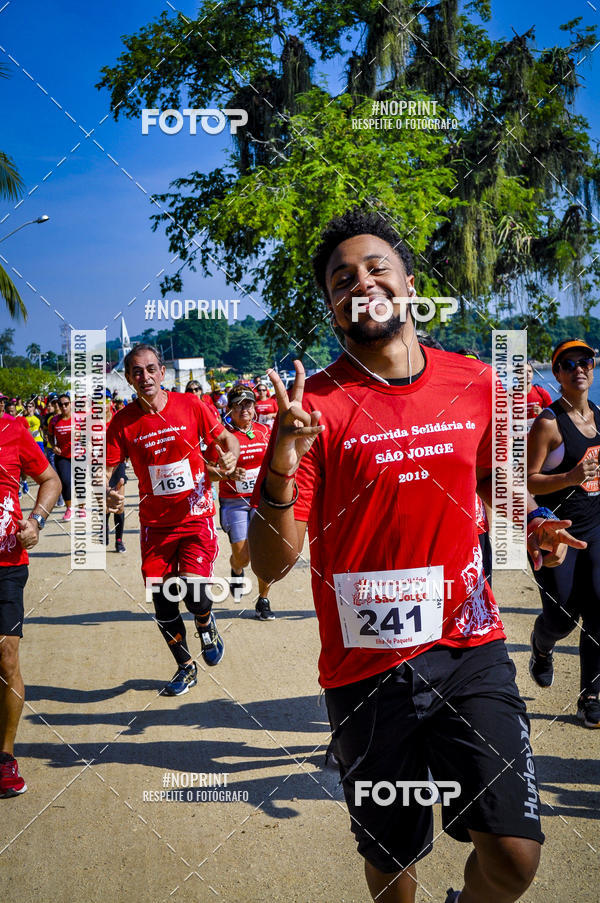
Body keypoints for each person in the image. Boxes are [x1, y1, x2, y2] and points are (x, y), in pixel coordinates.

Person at [249, 207, 583, 903]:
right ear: (332, 306)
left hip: (468, 647)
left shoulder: (476, 383)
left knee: (515, 857)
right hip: (365, 668)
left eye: (376, 268)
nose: (361, 283)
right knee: (393, 859)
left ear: (409, 285)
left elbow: (493, 479)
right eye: (342, 279)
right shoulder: (315, 410)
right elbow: (271, 564)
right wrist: (281, 461)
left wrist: (534, 520)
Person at [106, 344, 239, 696]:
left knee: (194, 592)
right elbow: (106, 468)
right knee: (163, 600)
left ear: (162, 372)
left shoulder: (191, 405)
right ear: (129, 378)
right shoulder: (122, 422)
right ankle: (185, 666)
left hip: (195, 516)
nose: (145, 377)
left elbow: (226, 438)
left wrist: (230, 456)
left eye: (151, 369)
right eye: (137, 371)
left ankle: (205, 622)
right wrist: (106, 491)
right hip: (155, 526)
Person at [527, 338, 600, 727]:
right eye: (568, 364)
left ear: (593, 366)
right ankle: (542, 646)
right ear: (556, 374)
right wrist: (570, 477)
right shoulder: (548, 423)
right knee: (561, 619)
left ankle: (592, 695)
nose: (578, 369)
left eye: (584, 361)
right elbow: (527, 481)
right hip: (556, 534)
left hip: (597, 529)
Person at [0, 416, 61, 796]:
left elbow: (50, 479)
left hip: (6, 562)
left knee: (6, 655)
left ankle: (5, 756)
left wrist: (36, 521)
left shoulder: (12, 429)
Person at [213, 385, 273, 617]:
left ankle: (263, 600)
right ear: (229, 408)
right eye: (238, 405)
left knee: (263, 553)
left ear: (255, 407)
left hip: (262, 501)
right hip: (234, 502)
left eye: (248, 404)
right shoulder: (222, 436)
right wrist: (227, 474)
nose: (244, 409)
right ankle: (236, 568)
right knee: (243, 557)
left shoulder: (264, 431)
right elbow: (206, 470)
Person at [48, 394, 73, 521]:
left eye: (66, 404)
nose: (63, 406)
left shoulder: (78, 418)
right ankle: (69, 508)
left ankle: (82, 507)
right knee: (66, 481)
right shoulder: (54, 421)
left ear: (71, 404)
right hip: (62, 455)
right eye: (61, 404)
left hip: (79, 454)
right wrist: (54, 446)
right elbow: (49, 435)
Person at [526, 362, 552, 431]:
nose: (527, 374)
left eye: (530, 371)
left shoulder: (542, 393)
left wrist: (542, 413)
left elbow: (553, 416)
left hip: (538, 434)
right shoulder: (510, 395)